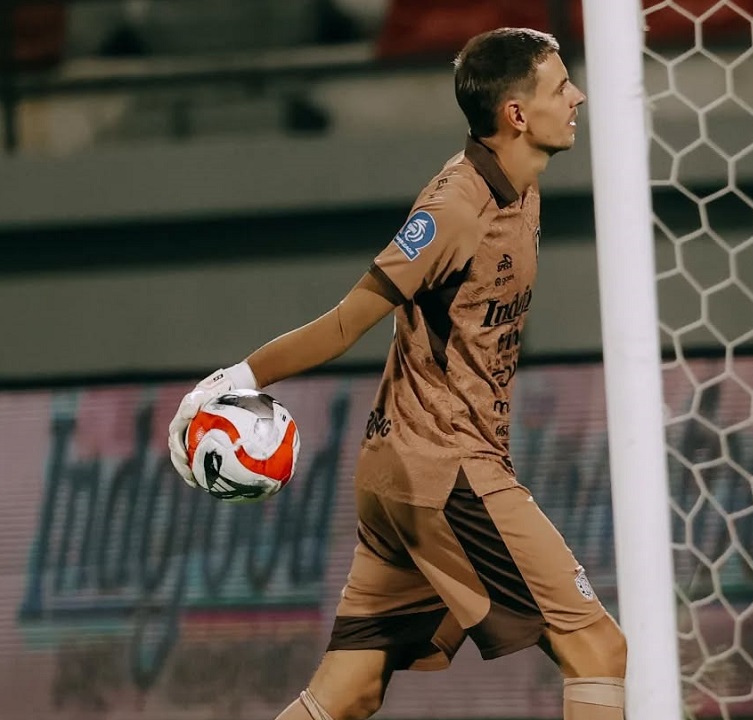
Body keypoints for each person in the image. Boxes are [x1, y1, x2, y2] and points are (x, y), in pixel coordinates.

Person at [166, 27, 627, 720]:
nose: (579, 96)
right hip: (445, 470)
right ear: (516, 115)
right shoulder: (452, 208)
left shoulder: (521, 188)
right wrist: (234, 376)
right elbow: (351, 319)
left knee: (346, 693)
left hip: (400, 475)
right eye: (562, 87)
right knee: (596, 648)